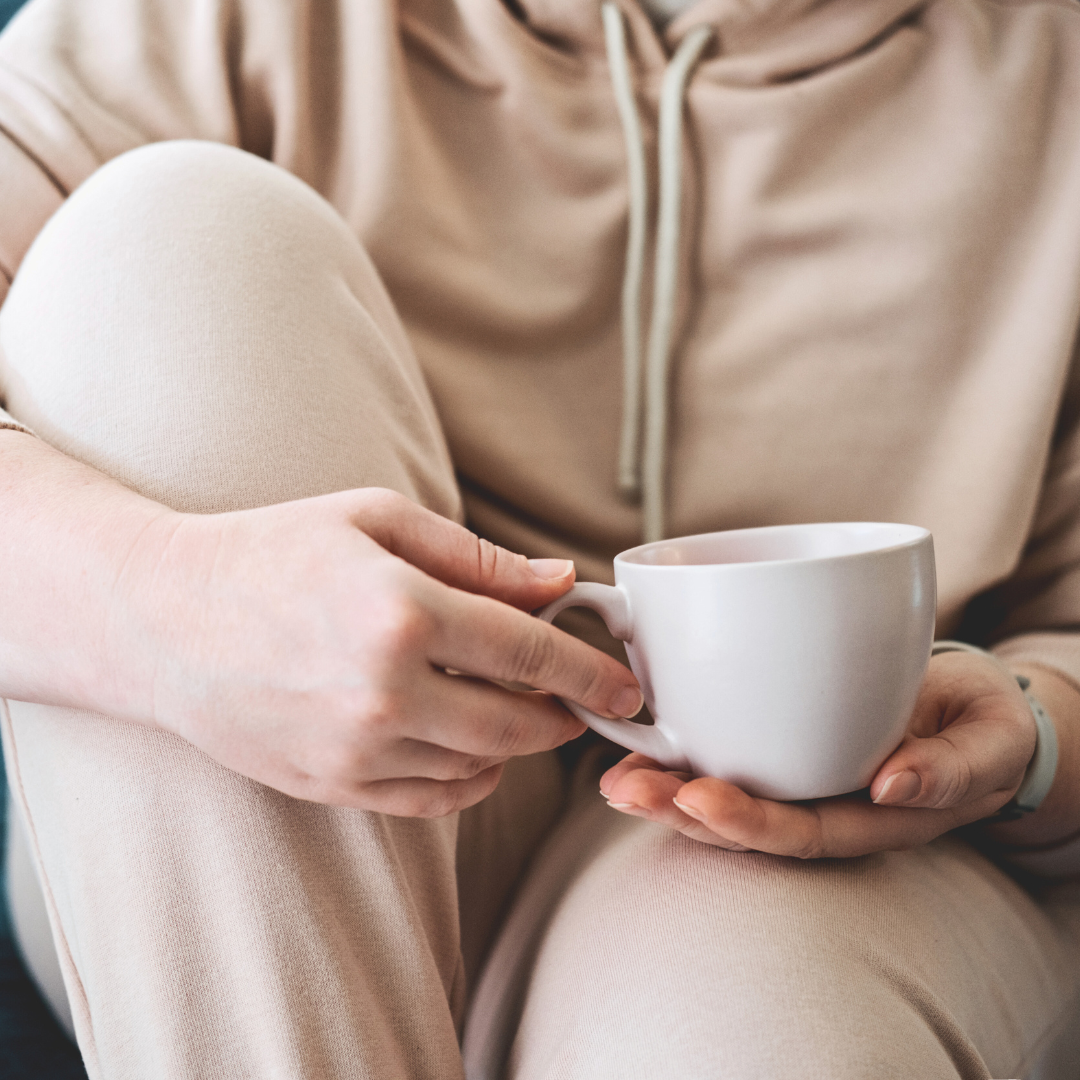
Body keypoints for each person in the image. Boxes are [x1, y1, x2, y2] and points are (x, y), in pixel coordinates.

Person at [0, 0, 1079, 1077]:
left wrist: (1032, 742)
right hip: (252, 859)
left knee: (749, 1029)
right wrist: (155, 600)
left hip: (845, 851)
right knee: (165, 235)